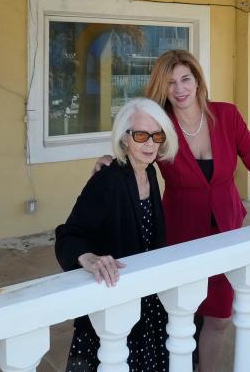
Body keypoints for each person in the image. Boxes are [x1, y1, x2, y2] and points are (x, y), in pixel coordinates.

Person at [97, 49, 250, 372]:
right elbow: (135, 151)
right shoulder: (160, 126)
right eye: (169, 83)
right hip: (180, 235)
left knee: (219, 318)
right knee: (179, 316)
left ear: (197, 80)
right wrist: (111, 162)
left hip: (227, 231)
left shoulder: (227, 116)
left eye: (185, 79)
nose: (179, 89)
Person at [55, 97, 180, 372]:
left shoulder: (151, 173)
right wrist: (87, 257)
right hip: (113, 305)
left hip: (146, 303)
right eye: (140, 135)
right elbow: (68, 234)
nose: (150, 143)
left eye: (156, 135)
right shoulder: (108, 180)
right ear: (124, 140)